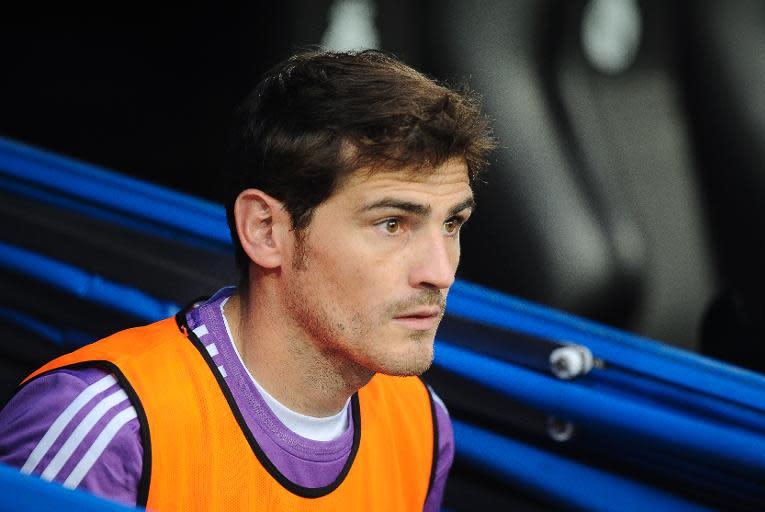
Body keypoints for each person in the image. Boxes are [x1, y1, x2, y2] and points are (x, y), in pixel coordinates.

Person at [0, 49, 494, 510]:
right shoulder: (109, 429)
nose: (440, 270)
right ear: (265, 231)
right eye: (392, 224)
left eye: (452, 223)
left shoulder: (422, 422)